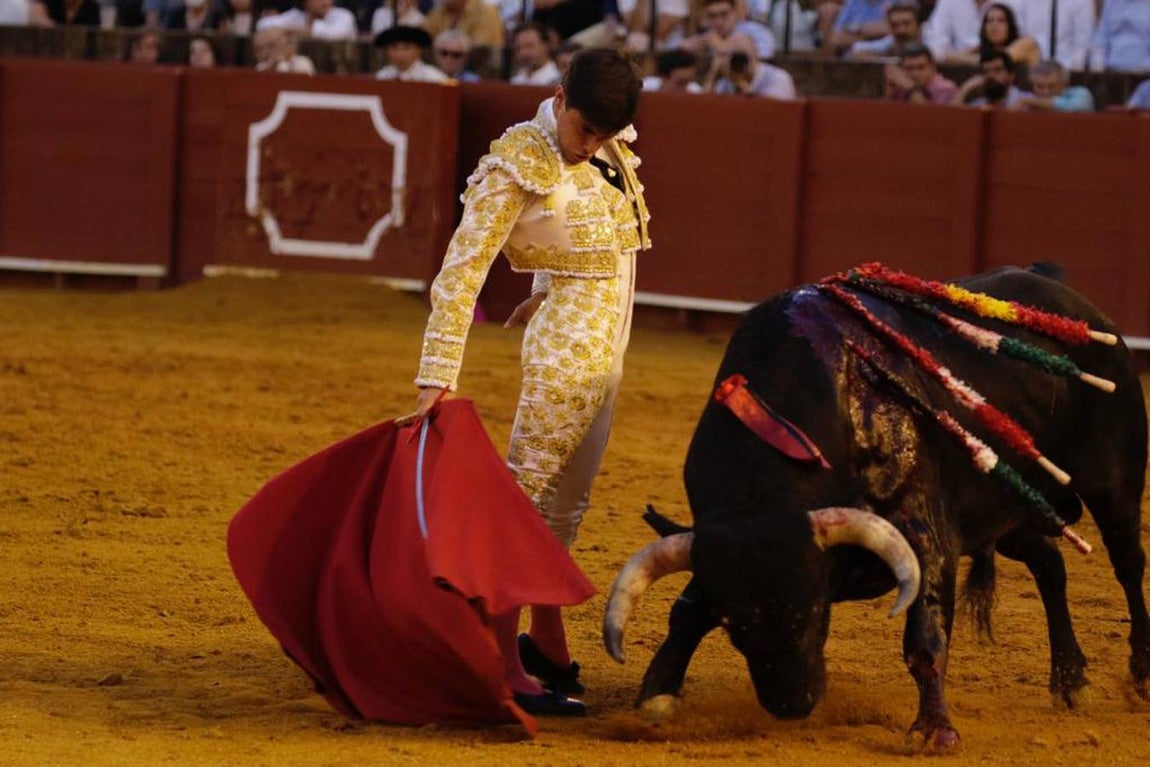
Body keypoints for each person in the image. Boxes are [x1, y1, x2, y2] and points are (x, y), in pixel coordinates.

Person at [411, 47, 650, 716]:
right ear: (559, 97)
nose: (594, 146)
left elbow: (583, 228)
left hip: (607, 350)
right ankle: (498, 661)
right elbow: (460, 275)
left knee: (563, 512)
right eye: (586, 131)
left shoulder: (601, 133)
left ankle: (545, 640)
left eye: (605, 135)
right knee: (525, 504)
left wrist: (543, 284)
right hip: (564, 360)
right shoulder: (514, 162)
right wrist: (437, 377)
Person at [954, 49, 1033, 107]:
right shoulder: (979, 104)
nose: (991, 75)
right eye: (986, 71)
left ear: (1011, 76)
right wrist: (965, 88)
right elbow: (951, 118)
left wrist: (1024, 102)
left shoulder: (1028, 100)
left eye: (997, 70)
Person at [884, 42, 959, 103]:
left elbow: (932, 118)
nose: (915, 74)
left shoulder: (945, 89)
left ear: (933, 68)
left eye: (921, 68)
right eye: (909, 68)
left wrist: (912, 90)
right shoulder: (900, 86)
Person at [848, 0, 922, 60]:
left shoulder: (931, 41)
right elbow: (857, 52)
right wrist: (888, 56)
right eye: (895, 25)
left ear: (918, 26)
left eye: (906, 24)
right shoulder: (890, 43)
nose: (901, 30)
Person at [1010, 58, 1094, 111]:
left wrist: (1030, 101)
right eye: (1039, 86)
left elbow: (1078, 108)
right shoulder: (1025, 98)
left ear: (1064, 84)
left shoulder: (1081, 93)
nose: (1045, 92)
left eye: (1052, 86)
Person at [375, 24, 448, 81]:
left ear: (418, 51)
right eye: (394, 48)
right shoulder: (382, 76)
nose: (400, 53)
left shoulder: (434, 78)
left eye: (407, 48)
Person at [509, 21, 561, 85]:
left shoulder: (558, 80)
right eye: (519, 48)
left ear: (545, 46)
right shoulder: (515, 80)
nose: (523, 53)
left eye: (529, 46)